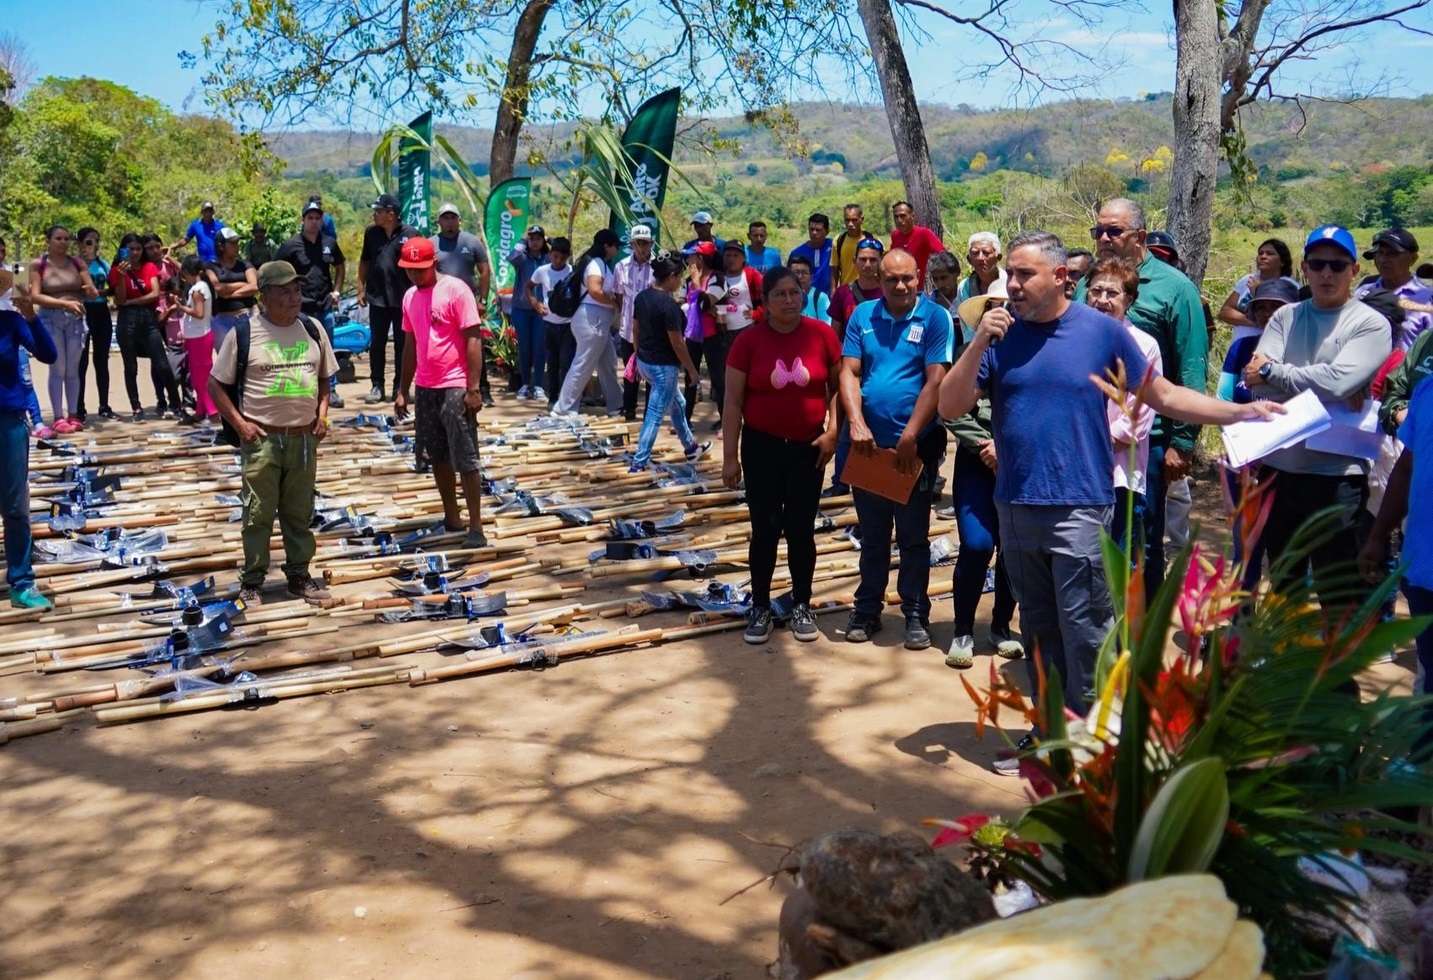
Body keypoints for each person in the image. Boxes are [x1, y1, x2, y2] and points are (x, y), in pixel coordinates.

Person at [939, 231, 1280, 725]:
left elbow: (1163, 395)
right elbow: (950, 405)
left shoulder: (1100, 333)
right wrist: (979, 342)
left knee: (1086, 631)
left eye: (1023, 274)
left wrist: (1238, 414)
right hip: (1014, 505)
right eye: (1009, 274)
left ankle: (1094, 740)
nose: (1011, 284)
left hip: (1080, 504)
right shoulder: (1000, 335)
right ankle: (1051, 732)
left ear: (1060, 278)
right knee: (1038, 630)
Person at [1244, 225, 1393, 623]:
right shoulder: (1284, 317)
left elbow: (1338, 380)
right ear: (1305, 269)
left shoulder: (1371, 324)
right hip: (1280, 472)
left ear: (1354, 270)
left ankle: (1336, 684)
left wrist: (1278, 373)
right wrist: (1325, 380)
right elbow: (1254, 377)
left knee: (1337, 593)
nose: (1327, 273)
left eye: (1337, 265)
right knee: (1284, 588)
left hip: (1337, 478)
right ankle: (1288, 676)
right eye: (1317, 264)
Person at [1079, 198, 1209, 596]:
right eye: (1097, 231)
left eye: (1113, 231)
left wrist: (1182, 442)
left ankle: (1142, 632)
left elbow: (1190, 365)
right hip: (1085, 437)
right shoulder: (1089, 282)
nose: (1103, 238)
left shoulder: (1175, 287)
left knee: (1143, 537)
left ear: (1138, 235)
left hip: (1148, 440)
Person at [839, 248, 953, 649]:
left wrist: (911, 435)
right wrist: (855, 422)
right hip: (868, 447)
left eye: (907, 278)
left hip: (913, 449)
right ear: (879, 280)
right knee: (872, 535)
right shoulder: (861, 316)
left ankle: (916, 612)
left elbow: (935, 380)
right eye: (891, 279)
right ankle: (867, 609)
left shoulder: (935, 317)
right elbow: (849, 372)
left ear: (919, 276)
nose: (900, 286)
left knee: (913, 536)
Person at [724, 265, 842, 644]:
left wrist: (833, 433)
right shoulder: (747, 342)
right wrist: (730, 456)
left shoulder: (822, 335)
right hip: (761, 447)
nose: (789, 300)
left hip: (809, 448)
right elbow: (732, 401)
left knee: (801, 529)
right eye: (780, 294)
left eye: (794, 292)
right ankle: (759, 606)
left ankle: (801, 604)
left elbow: (841, 388)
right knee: (765, 529)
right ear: (765, 301)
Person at [209, 261, 337, 606]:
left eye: (296, 289)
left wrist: (322, 415)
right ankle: (252, 581)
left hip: (303, 438)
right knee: (258, 513)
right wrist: (240, 425)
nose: (294, 297)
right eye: (284, 291)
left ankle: (299, 575)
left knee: (299, 511)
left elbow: (325, 377)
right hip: (261, 438)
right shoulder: (243, 334)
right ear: (264, 296)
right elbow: (216, 384)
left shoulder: (313, 329)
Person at [941, 269, 1022, 670]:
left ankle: (1002, 627)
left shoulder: (1032, 354)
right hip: (976, 465)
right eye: (996, 306)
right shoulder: (971, 354)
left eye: (1010, 306)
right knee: (976, 545)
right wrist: (986, 444)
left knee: (1013, 550)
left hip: (1020, 468)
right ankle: (962, 630)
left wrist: (1007, 447)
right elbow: (951, 409)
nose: (1003, 313)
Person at [393, 238, 488, 549]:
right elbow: (410, 345)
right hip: (426, 385)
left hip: (455, 384)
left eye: (420, 270)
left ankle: (476, 525)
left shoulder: (456, 290)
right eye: (410, 271)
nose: (415, 276)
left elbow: (474, 339)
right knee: (437, 455)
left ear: (433, 263)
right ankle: (452, 517)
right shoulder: (409, 297)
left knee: (465, 455)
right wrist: (402, 390)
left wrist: (473, 389)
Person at [1358, 377, 1433, 749]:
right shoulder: (1428, 389)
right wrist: (1377, 536)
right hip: (1422, 568)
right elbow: (1406, 467)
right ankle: (1417, 780)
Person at [1085, 258, 1164, 560]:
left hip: (1119, 476)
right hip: (1072, 479)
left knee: (1117, 568)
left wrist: (1082, 443)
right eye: (1096, 291)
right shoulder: (1071, 338)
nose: (1102, 300)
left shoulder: (1144, 346)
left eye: (1112, 294)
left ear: (1129, 299)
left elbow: (1136, 423)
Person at [2, 291, 57, 610]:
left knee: (15, 506)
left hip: (8, 421)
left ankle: (22, 582)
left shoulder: (11, 321)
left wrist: (32, 317)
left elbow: (48, 355)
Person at [629, 252, 705, 472]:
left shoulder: (642, 297)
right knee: (654, 414)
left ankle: (691, 447)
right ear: (671, 276)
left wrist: (637, 354)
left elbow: (636, 328)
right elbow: (678, 343)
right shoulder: (669, 306)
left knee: (678, 404)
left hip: (646, 362)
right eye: (679, 277)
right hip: (663, 367)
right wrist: (692, 370)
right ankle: (639, 462)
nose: (680, 282)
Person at [276, 198, 347, 408]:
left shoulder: (329, 243)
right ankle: (301, 389)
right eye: (310, 218)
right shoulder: (291, 245)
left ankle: (331, 390)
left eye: (317, 218)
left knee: (327, 349)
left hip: (324, 304)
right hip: (300, 308)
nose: (314, 222)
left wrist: (337, 290)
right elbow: (276, 267)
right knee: (300, 349)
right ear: (303, 220)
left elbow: (340, 265)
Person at [28, 225, 96, 434]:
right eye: (58, 238)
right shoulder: (35, 264)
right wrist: (63, 304)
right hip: (50, 318)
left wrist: (91, 292)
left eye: (67, 239)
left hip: (76, 318)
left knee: (72, 369)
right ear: (48, 240)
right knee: (57, 368)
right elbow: (33, 296)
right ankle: (57, 416)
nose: (63, 242)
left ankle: (73, 414)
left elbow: (92, 291)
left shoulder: (77, 262)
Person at [552, 229, 623, 418]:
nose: (617, 250)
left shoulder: (598, 263)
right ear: (607, 246)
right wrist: (614, 303)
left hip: (599, 321)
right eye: (616, 246)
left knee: (608, 363)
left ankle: (616, 405)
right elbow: (594, 290)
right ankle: (563, 408)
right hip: (593, 319)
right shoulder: (596, 263)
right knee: (583, 363)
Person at [357, 193, 420, 403]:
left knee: (404, 345)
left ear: (391, 214)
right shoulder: (371, 233)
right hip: (377, 297)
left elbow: (419, 265)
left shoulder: (411, 234)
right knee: (377, 343)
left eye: (378, 211)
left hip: (404, 300)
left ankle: (400, 388)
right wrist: (360, 288)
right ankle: (377, 385)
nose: (374, 215)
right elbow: (365, 261)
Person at [111, 233, 180, 420]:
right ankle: (136, 407)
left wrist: (133, 302)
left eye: (138, 249)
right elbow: (120, 299)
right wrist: (121, 277)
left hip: (148, 318)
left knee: (162, 363)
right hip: (127, 320)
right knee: (130, 366)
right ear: (122, 250)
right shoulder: (117, 270)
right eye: (130, 249)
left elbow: (155, 294)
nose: (134, 253)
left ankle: (176, 404)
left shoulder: (148, 267)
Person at [433, 202, 493, 407]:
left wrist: (482, 300)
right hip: (441, 305)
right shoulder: (432, 244)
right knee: (445, 346)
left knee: (475, 344)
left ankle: (483, 389)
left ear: (459, 220)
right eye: (445, 218)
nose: (449, 222)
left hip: (468, 303)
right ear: (439, 221)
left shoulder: (472, 242)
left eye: (453, 218)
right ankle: (446, 387)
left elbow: (484, 271)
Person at [1356, 228, 1431, 350]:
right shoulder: (1362, 292)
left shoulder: (1426, 299)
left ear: (1413, 259)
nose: (1383, 260)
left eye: (1392, 254)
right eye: (1380, 253)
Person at [682, 241, 728, 425]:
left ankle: (725, 419)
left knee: (718, 378)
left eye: (692, 256)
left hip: (712, 335)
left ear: (701, 258)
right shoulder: (687, 281)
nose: (689, 260)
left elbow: (704, 302)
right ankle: (685, 419)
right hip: (693, 334)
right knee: (690, 376)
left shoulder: (717, 278)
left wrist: (696, 284)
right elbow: (685, 304)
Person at [613, 224, 656, 419]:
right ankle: (629, 408)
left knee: (651, 373)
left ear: (651, 243)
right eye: (638, 243)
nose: (641, 247)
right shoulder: (621, 266)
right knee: (630, 371)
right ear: (631, 244)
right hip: (628, 329)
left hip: (652, 331)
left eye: (645, 243)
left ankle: (650, 412)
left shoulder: (658, 267)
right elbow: (619, 297)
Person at [508, 225, 552, 402]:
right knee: (524, 348)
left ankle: (539, 385)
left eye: (538, 239)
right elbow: (511, 256)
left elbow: (565, 252)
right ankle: (525, 385)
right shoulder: (522, 258)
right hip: (521, 309)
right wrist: (522, 240)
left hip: (541, 310)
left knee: (540, 348)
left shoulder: (548, 258)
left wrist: (549, 240)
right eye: (532, 239)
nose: (535, 242)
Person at [530, 237, 575, 407]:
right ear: (550, 254)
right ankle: (553, 397)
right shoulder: (542, 271)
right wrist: (535, 303)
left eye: (562, 258)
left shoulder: (572, 272)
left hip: (568, 324)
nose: (558, 261)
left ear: (568, 257)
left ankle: (565, 399)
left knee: (566, 362)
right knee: (553, 362)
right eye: (555, 257)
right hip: (549, 324)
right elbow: (528, 287)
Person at [172, 256, 217, 423]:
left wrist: (181, 307)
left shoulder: (197, 290)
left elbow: (199, 313)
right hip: (197, 336)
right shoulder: (203, 287)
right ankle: (201, 410)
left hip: (200, 337)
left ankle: (212, 411)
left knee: (201, 378)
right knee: (199, 376)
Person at [76, 227, 115, 420]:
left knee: (101, 360)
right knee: (80, 362)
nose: (94, 245)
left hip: (101, 312)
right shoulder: (73, 265)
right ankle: (79, 407)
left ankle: (104, 405)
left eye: (96, 241)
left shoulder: (103, 264)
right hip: (82, 312)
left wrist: (100, 293)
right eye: (89, 241)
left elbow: (112, 288)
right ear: (80, 243)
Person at [1217, 238, 1298, 328]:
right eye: (1260, 253)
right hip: (1243, 341)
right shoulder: (1248, 280)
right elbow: (1224, 312)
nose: (1263, 257)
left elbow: (1284, 319)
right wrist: (1255, 322)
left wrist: (1258, 292)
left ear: (1282, 261)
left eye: (1270, 254)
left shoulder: (1289, 285)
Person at [206, 226, 258, 355]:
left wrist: (229, 294)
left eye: (237, 242)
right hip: (223, 321)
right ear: (221, 246)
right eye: (232, 243)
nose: (237, 246)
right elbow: (218, 288)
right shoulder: (211, 267)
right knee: (227, 360)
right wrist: (242, 283)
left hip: (249, 315)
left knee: (251, 357)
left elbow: (254, 287)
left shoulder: (245, 264)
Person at [830, 237, 886, 335]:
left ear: (881, 262)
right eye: (863, 259)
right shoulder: (842, 293)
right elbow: (834, 334)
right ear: (854, 261)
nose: (867, 265)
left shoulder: (888, 292)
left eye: (873, 260)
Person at [888, 201, 945, 288]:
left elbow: (943, 256)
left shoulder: (924, 234)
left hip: (918, 288)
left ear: (912, 216)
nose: (899, 220)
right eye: (896, 217)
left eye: (903, 216)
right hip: (898, 286)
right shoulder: (895, 236)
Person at [717, 238, 764, 337]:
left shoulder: (751, 274)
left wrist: (757, 314)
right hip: (725, 331)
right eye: (728, 255)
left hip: (748, 328)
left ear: (743, 258)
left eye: (736, 255)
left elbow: (768, 296)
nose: (731, 259)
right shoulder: (718, 277)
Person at [788, 213, 834, 297]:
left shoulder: (834, 247)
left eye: (818, 230)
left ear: (827, 231)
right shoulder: (797, 253)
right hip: (805, 299)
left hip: (829, 298)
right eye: (811, 229)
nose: (814, 233)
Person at [955, 233, 1006, 307]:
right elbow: (964, 317)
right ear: (969, 260)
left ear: (998, 257)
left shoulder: (1008, 283)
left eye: (986, 253)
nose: (980, 258)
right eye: (975, 253)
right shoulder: (965, 287)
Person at [832, 204, 872, 291]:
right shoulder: (838, 241)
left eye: (854, 220)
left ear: (862, 219)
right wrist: (833, 292)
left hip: (868, 290)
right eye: (847, 220)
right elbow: (834, 269)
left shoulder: (872, 240)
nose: (850, 224)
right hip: (847, 291)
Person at [790, 256, 830, 325]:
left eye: (804, 273)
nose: (800, 276)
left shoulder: (821, 298)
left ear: (811, 277)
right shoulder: (784, 298)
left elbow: (826, 327)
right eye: (796, 272)